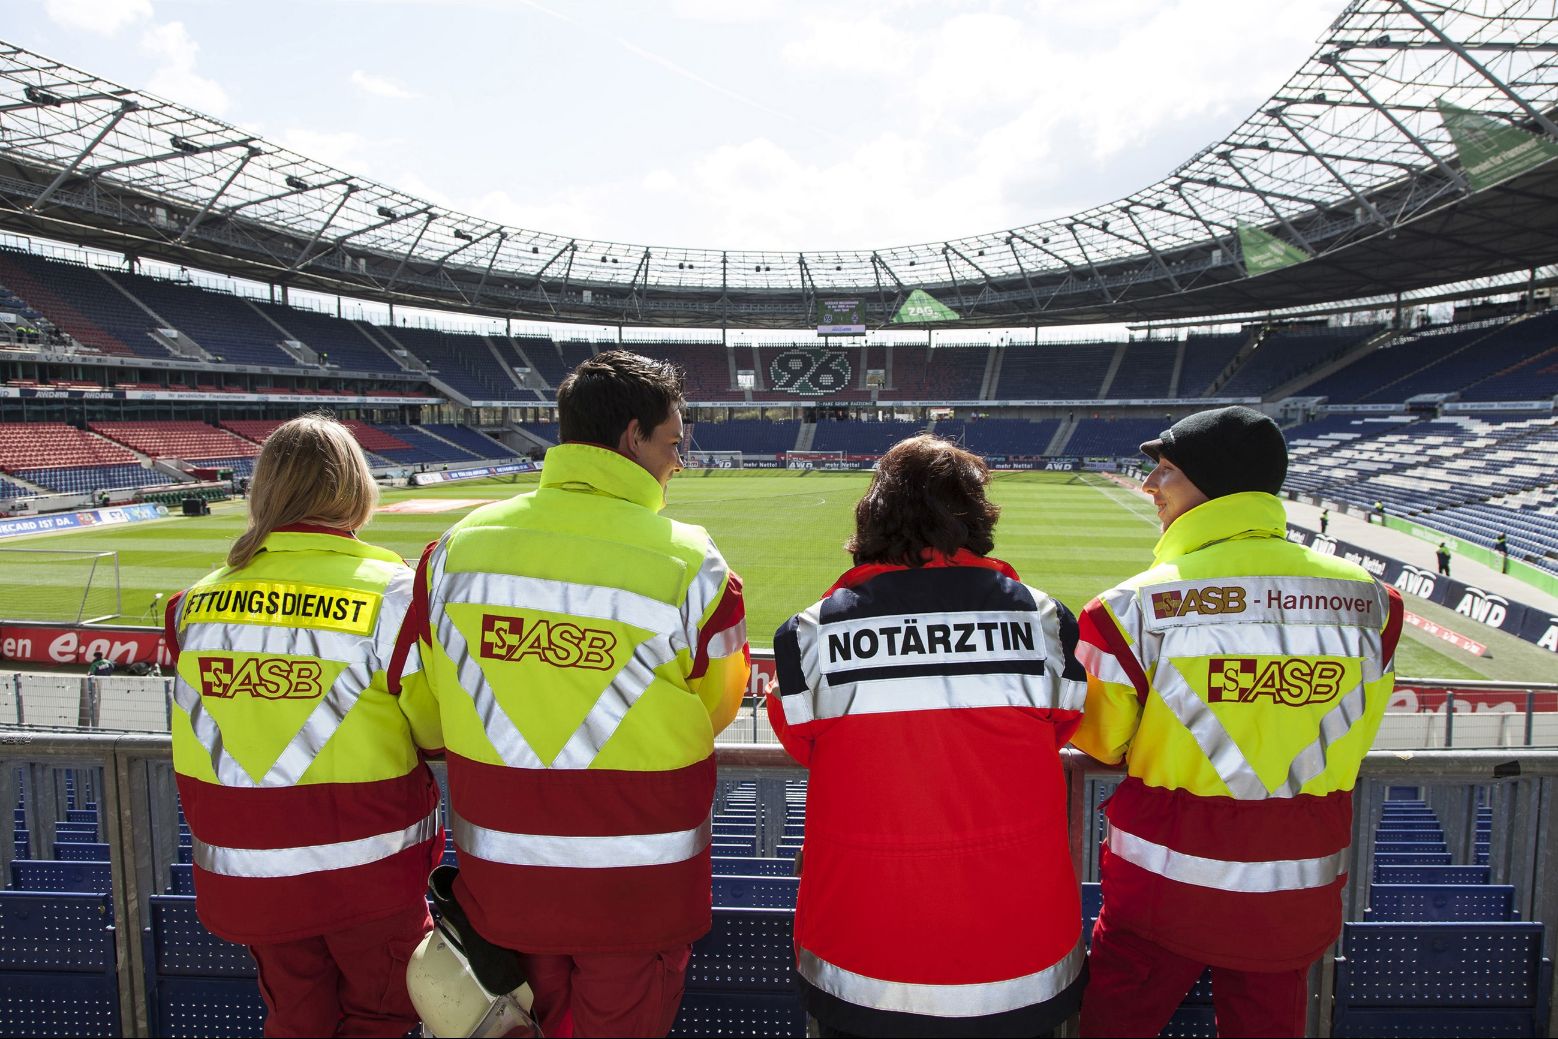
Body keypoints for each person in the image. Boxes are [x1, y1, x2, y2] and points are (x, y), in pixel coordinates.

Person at [395, 350, 750, 1038]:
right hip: (636, 895)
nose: (679, 461)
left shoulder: (453, 551)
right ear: (632, 438)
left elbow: (425, 707)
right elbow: (717, 707)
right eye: (673, 443)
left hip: (500, 891)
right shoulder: (694, 562)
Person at [1070, 406, 1403, 1038]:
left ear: (1210, 485)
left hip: (1161, 886)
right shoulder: (1373, 604)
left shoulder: (1130, 607)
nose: (1149, 486)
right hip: (1297, 885)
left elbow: (1101, 740)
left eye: (1164, 470)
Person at [768, 435, 1088, 1038]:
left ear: (873, 513)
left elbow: (799, 741)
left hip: (862, 953)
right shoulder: (1047, 622)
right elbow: (1066, 724)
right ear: (975, 514)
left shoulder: (807, 635)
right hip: (1021, 950)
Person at [164, 415, 441, 1038]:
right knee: (385, 1017)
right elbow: (436, 732)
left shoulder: (194, 603)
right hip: (367, 877)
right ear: (357, 490)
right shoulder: (392, 594)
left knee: (296, 1017)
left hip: (250, 877)